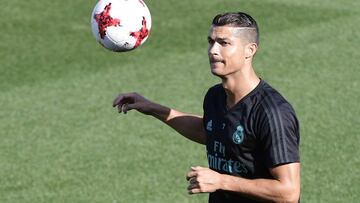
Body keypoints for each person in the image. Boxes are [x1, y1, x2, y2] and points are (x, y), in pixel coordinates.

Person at [113, 12, 300, 203]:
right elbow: (209, 131)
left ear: (249, 50)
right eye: (210, 42)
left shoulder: (272, 112)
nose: (213, 50)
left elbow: (289, 192)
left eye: (224, 43)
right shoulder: (215, 96)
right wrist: (153, 108)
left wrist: (222, 181)